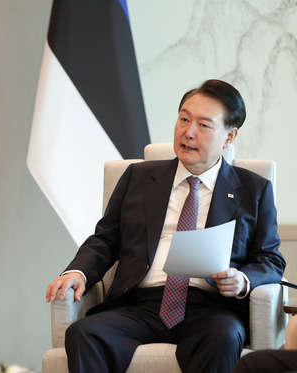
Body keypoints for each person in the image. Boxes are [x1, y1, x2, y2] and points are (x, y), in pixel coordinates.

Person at [45, 79, 285, 373]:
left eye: (204, 125)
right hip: (138, 303)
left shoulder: (253, 189)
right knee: (84, 333)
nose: (188, 132)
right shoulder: (138, 178)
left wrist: (242, 280)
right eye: (184, 119)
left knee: (223, 336)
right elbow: (105, 239)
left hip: (209, 307)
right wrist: (78, 271)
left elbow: (270, 258)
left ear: (229, 137)